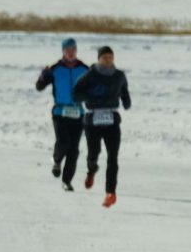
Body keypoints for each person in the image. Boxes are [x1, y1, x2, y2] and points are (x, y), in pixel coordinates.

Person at [71, 46, 131, 207]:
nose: (108, 60)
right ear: (98, 59)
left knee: (113, 157)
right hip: (93, 120)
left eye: (110, 57)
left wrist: (126, 101)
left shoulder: (119, 75)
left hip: (112, 120)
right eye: (104, 57)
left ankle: (110, 193)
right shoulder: (90, 75)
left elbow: (124, 90)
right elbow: (76, 94)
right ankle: (91, 170)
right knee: (93, 153)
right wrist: (91, 95)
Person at [35, 38, 90, 189]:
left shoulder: (84, 69)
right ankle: (57, 160)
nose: (71, 53)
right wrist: (43, 77)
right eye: (68, 50)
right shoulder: (55, 69)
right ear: (63, 52)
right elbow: (39, 87)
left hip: (78, 113)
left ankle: (67, 181)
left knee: (74, 149)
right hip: (60, 112)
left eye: (73, 50)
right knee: (63, 141)